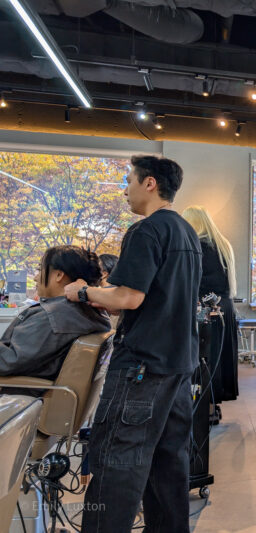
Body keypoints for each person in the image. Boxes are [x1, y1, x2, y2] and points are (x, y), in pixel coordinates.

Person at [65, 155, 201, 533]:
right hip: (178, 363)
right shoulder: (187, 233)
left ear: (150, 183)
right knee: (167, 463)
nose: (124, 190)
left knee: (116, 463)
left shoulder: (146, 231)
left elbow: (128, 297)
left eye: (129, 181)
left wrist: (82, 292)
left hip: (143, 366)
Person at [0, 246, 110, 380]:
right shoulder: (91, 312)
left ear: (59, 275)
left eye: (40, 270)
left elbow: (8, 361)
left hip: (17, 392)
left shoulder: (52, 317)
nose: (35, 278)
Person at [182, 205, 239, 401]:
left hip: (207, 308)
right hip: (225, 306)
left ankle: (204, 403)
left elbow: (195, 281)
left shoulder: (199, 246)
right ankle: (214, 402)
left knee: (205, 357)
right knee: (219, 358)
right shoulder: (222, 245)